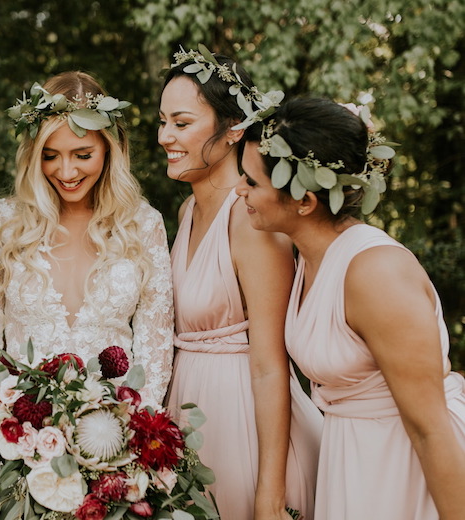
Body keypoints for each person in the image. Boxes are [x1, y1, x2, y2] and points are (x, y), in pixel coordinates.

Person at [236, 96, 465, 518]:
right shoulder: (307, 255)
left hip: (405, 465)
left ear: (304, 201)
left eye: (252, 182)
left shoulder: (375, 274)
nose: (240, 190)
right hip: (351, 459)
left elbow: (429, 429)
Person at [158, 45, 323, 520]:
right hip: (188, 411)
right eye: (163, 120)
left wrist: (268, 493)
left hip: (240, 420)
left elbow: (272, 364)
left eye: (182, 123)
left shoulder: (252, 219)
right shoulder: (187, 210)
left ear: (232, 130)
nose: (166, 135)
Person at [0, 71, 173, 405]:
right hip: (22, 438)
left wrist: (130, 431)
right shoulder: (1, 223)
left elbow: (155, 351)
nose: (67, 171)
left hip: (117, 440)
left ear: (109, 148)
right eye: (50, 155)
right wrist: (10, 422)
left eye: (83, 155)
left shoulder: (144, 225)